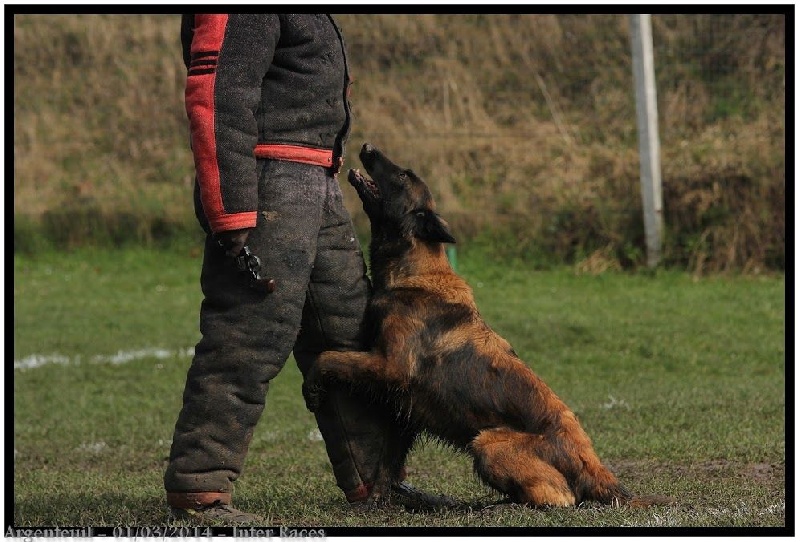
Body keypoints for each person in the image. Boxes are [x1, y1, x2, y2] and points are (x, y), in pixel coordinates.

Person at [165, 14, 445, 523]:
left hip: (316, 182)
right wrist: (230, 207)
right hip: (267, 183)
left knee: (346, 332)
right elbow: (218, 91)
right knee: (246, 338)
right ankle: (200, 490)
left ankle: (375, 481)